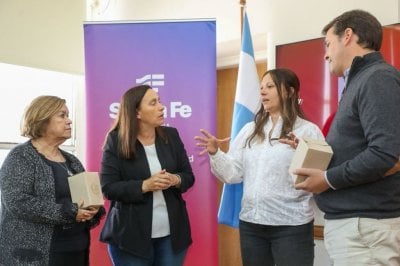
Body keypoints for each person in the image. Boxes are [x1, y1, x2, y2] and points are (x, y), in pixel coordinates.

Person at [293, 9, 400, 265]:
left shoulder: (377, 78)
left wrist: (327, 179)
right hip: (358, 227)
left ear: (348, 36)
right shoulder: (362, 80)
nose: (326, 54)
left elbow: (385, 154)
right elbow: (360, 146)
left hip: (364, 228)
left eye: (328, 44)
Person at [195, 68, 324, 266]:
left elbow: (318, 178)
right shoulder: (249, 130)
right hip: (252, 225)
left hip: (291, 226)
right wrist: (215, 153)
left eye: (270, 86)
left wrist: (303, 152)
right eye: (261, 87)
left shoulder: (308, 130)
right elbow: (233, 174)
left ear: (290, 92)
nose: (262, 92)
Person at [0, 95, 105, 266]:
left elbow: (86, 200)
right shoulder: (21, 157)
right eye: (62, 115)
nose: (69, 121)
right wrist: (70, 212)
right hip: (34, 256)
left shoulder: (72, 160)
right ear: (42, 119)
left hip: (75, 252)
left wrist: (93, 210)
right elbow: (17, 202)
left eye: (68, 115)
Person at [99, 85, 194, 266]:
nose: (161, 106)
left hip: (172, 236)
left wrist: (176, 180)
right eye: (153, 103)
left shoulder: (171, 135)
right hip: (130, 238)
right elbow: (108, 188)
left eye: (159, 101)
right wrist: (145, 185)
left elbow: (188, 176)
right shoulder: (116, 140)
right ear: (137, 113)